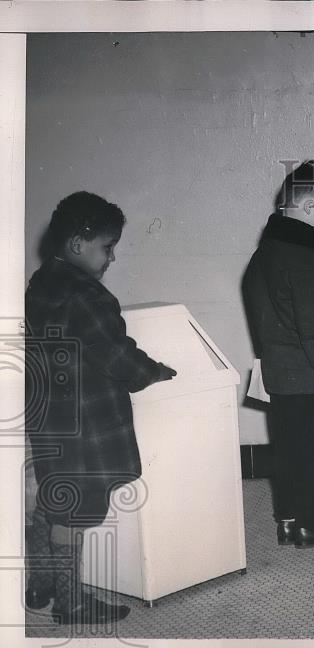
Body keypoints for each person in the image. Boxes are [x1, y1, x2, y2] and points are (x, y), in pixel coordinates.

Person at [25, 191, 176, 624]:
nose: (111, 258)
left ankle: (42, 584)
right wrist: (155, 371)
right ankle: (71, 603)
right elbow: (116, 356)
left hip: (51, 418)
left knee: (53, 502)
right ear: (78, 243)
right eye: (107, 247)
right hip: (87, 427)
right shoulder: (89, 297)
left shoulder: (41, 282)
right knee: (75, 514)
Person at [243, 160, 314, 548]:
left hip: (279, 373)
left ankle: (288, 521)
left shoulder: (265, 252)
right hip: (310, 374)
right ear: (308, 207)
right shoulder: (305, 256)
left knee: (288, 451)